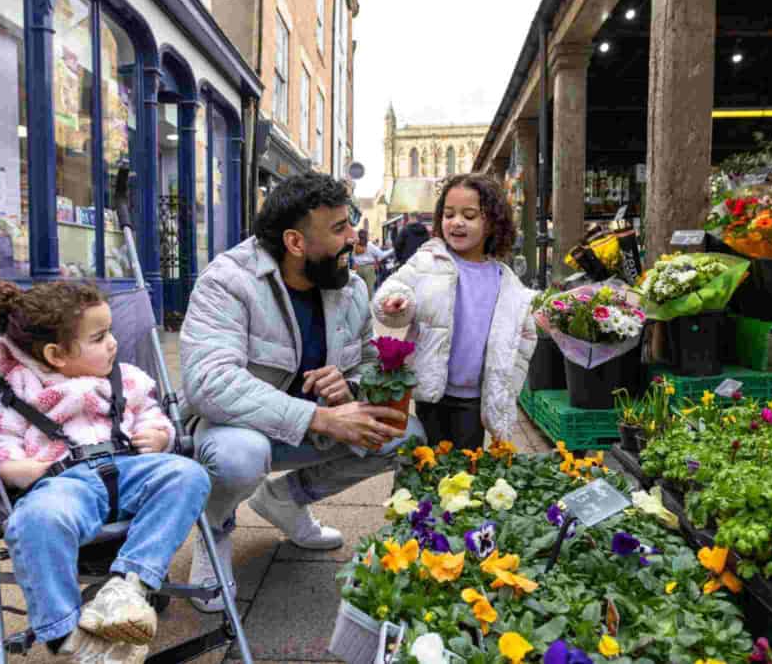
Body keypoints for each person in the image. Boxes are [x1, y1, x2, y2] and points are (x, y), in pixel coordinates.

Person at [180, 172, 419, 612]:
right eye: (339, 228)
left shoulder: (348, 287)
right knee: (240, 458)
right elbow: (210, 381)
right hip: (232, 429)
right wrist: (323, 418)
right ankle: (213, 532)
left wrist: (347, 388)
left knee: (402, 433)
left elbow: (367, 364)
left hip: (310, 425)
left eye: (351, 223)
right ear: (295, 242)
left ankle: (285, 501)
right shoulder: (228, 281)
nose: (354, 237)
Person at [0, 279, 210, 663]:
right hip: (63, 482)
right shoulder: (22, 393)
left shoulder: (127, 379)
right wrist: (18, 469)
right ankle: (66, 633)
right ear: (55, 354)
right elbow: (4, 442)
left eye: (111, 332)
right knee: (34, 520)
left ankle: (127, 585)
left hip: (131, 469)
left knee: (188, 474)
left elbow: (152, 413)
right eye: (100, 337)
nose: (113, 343)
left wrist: (158, 433)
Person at [373, 173, 538, 450]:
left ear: (492, 223)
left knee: (464, 471)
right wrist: (395, 304)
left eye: (470, 215)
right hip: (432, 390)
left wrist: (508, 385)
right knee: (423, 461)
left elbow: (523, 339)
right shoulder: (429, 260)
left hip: (475, 396)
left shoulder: (505, 280)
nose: (457, 222)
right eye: (449, 214)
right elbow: (394, 291)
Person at [351, 228, 393, 299]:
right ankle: (369, 307)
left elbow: (352, 256)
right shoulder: (369, 245)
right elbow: (382, 255)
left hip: (357, 269)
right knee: (369, 291)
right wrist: (393, 249)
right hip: (369, 269)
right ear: (366, 236)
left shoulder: (355, 245)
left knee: (360, 291)